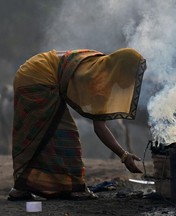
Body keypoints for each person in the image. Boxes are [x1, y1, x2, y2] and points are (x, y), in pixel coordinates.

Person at [8, 48, 146, 200]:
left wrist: (124, 155)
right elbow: (99, 127)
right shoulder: (96, 76)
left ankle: (20, 189)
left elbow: (100, 127)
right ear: (121, 68)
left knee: (39, 136)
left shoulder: (99, 65)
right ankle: (75, 188)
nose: (132, 80)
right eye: (131, 73)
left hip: (28, 74)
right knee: (67, 134)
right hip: (39, 79)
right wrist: (123, 155)